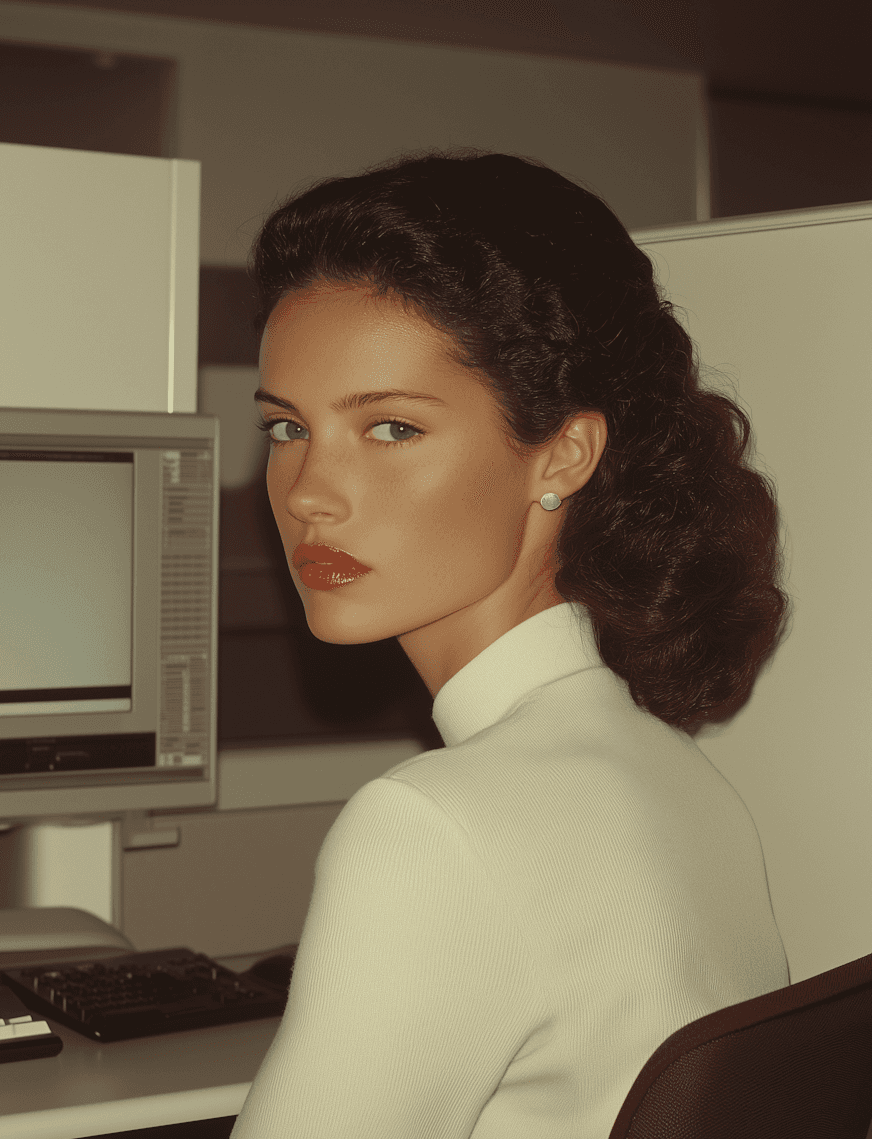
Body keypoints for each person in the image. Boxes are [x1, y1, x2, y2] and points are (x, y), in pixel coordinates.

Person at [231, 150, 791, 1139]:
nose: (309, 491)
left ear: (562, 454)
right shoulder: (675, 774)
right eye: (286, 429)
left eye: (391, 429)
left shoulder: (426, 826)